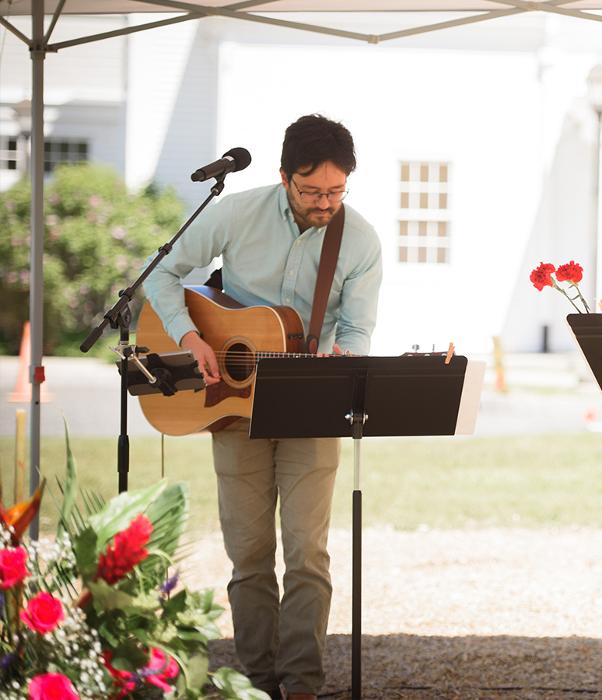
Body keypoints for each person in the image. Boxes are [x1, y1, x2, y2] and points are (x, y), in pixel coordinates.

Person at [143, 114, 382, 700]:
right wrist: (191, 337)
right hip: (232, 406)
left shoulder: (360, 240)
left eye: (336, 191)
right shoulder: (237, 212)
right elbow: (163, 275)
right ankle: (255, 683)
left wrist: (341, 359)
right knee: (248, 556)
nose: (324, 203)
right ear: (284, 177)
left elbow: (356, 327)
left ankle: (300, 685)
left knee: (307, 555)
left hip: (311, 408)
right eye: (311, 191)